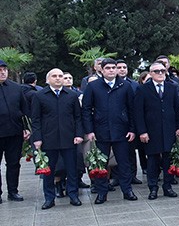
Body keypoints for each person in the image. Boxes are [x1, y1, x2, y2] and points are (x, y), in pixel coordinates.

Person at [82, 58, 138, 204]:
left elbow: (132, 109)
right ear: (101, 70)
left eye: (114, 68)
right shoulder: (93, 86)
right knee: (101, 164)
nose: (112, 70)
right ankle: (102, 193)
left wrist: (132, 129)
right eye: (108, 68)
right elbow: (86, 110)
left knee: (124, 163)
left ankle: (127, 191)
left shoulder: (125, 85)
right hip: (100, 131)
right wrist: (89, 130)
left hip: (122, 131)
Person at [30, 68, 84, 209]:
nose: (58, 78)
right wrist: (37, 138)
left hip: (69, 138)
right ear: (48, 80)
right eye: (54, 76)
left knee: (72, 169)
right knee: (49, 171)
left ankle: (73, 195)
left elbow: (78, 117)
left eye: (60, 76)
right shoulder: (39, 96)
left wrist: (79, 134)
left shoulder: (71, 95)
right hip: (48, 139)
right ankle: (49, 198)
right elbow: (35, 119)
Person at [134, 61, 179, 199]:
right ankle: (153, 188)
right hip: (151, 131)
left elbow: (177, 109)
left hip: (169, 129)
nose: (160, 73)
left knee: (168, 159)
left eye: (163, 71)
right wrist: (142, 131)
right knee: (153, 160)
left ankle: (167, 186)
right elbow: (138, 112)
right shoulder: (143, 89)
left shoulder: (172, 87)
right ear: (150, 73)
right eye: (157, 71)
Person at [0, 60, 29, 202]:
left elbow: (24, 110)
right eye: (0, 69)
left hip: (14, 132)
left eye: (4, 69)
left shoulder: (16, 88)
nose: (3, 72)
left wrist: (26, 128)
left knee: (13, 163)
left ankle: (13, 191)